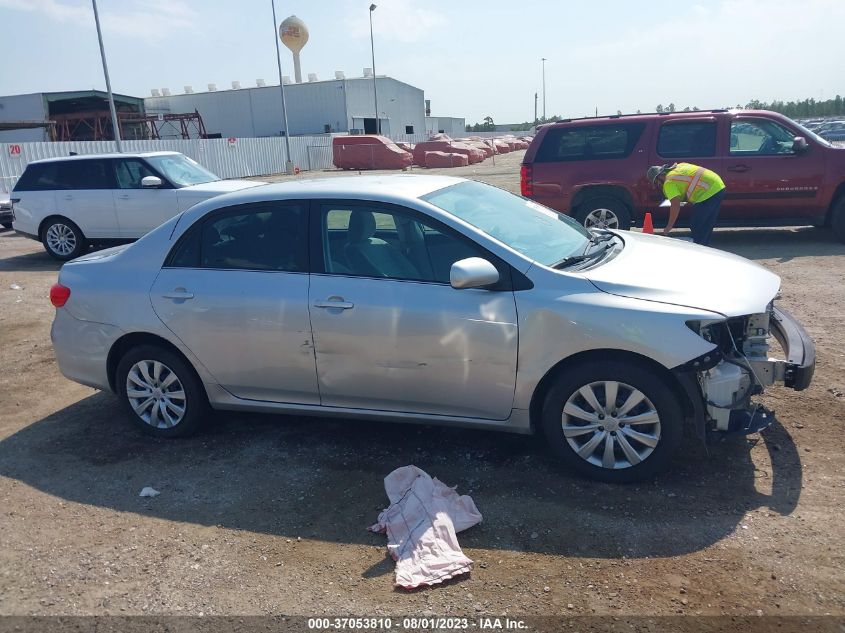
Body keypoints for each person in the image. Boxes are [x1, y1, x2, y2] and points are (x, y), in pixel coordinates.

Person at [646, 163, 726, 246]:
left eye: (656, 183)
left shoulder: (668, 183)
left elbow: (675, 206)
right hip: (717, 185)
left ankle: (701, 249)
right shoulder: (679, 166)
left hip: (710, 192)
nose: (658, 186)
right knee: (704, 224)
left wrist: (669, 227)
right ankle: (703, 246)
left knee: (698, 225)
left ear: (658, 178)